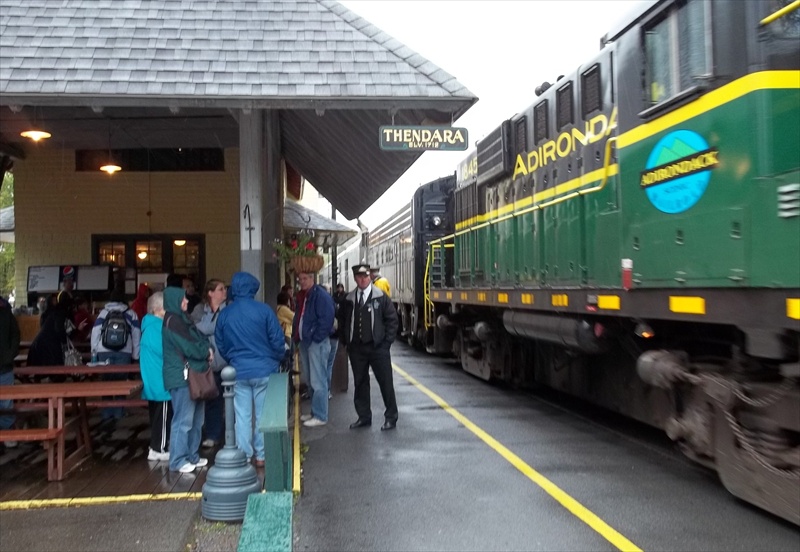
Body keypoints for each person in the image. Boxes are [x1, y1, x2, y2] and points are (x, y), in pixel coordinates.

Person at [215, 272, 285, 467]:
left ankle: (245, 456)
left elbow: (220, 343)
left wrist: (232, 359)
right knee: (262, 415)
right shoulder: (264, 311)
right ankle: (261, 456)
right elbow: (277, 340)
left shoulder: (225, 313)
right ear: (253, 289)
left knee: (242, 416)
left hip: (238, 371)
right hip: (264, 369)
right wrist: (276, 358)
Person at [162, 286, 213, 474]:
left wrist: (207, 349)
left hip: (191, 375)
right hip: (182, 377)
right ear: (175, 301)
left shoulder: (183, 319)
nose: (186, 302)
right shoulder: (173, 321)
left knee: (196, 419)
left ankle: (192, 455)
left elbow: (201, 339)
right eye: (183, 299)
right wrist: (206, 352)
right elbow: (190, 347)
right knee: (183, 421)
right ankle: (177, 460)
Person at [343, 263, 399, 431]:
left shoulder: (381, 297)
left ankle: (391, 417)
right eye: (359, 277)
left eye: (366, 276)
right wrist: (347, 342)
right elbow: (344, 322)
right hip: (357, 349)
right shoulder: (349, 299)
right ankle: (364, 416)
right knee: (360, 383)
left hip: (378, 348)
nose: (363, 280)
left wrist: (386, 343)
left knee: (385, 383)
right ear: (355, 278)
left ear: (370, 277)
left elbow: (392, 320)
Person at [292, 271, 335, 427]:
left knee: (318, 380)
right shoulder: (305, 296)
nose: (301, 282)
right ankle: (315, 412)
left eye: (305, 278)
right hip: (307, 341)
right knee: (311, 380)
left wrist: (315, 337)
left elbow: (327, 319)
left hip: (315, 342)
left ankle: (321, 415)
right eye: (300, 279)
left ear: (312, 279)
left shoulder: (319, 296)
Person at [91, 287, 141, 420]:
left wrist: (94, 353)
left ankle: (106, 412)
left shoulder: (103, 313)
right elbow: (136, 336)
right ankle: (119, 411)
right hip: (124, 352)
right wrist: (136, 356)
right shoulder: (131, 313)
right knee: (120, 383)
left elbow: (95, 333)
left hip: (104, 351)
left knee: (106, 382)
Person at [191, 278, 228, 449]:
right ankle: (212, 435)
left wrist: (210, 326)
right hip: (207, 363)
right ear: (210, 293)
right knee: (211, 400)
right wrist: (217, 325)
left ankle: (229, 435)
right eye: (220, 289)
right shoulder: (199, 310)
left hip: (227, 362)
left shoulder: (229, 308)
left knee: (229, 401)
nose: (224, 292)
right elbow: (196, 328)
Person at [140, 291, 172, 462]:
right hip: (160, 380)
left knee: (158, 416)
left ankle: (158, 445)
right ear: (159, 309)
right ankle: (158, 448)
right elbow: (166, 351)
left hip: (153, 379)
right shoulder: (156, 327)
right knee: (163, 416)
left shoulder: (148, 326)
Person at [28, 293, 73, 367]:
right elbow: (59, 329)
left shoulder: (53, 313)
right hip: (48, 346)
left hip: (43, 344)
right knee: (55, 369)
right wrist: (64, 340)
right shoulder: (59, 313)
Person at [0, 295, 20, 447]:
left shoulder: (6, 312)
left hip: (4, 366)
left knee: (6, 402)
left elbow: (15, 335)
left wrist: (9, 354)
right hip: (5, 364)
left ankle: (7, 433)